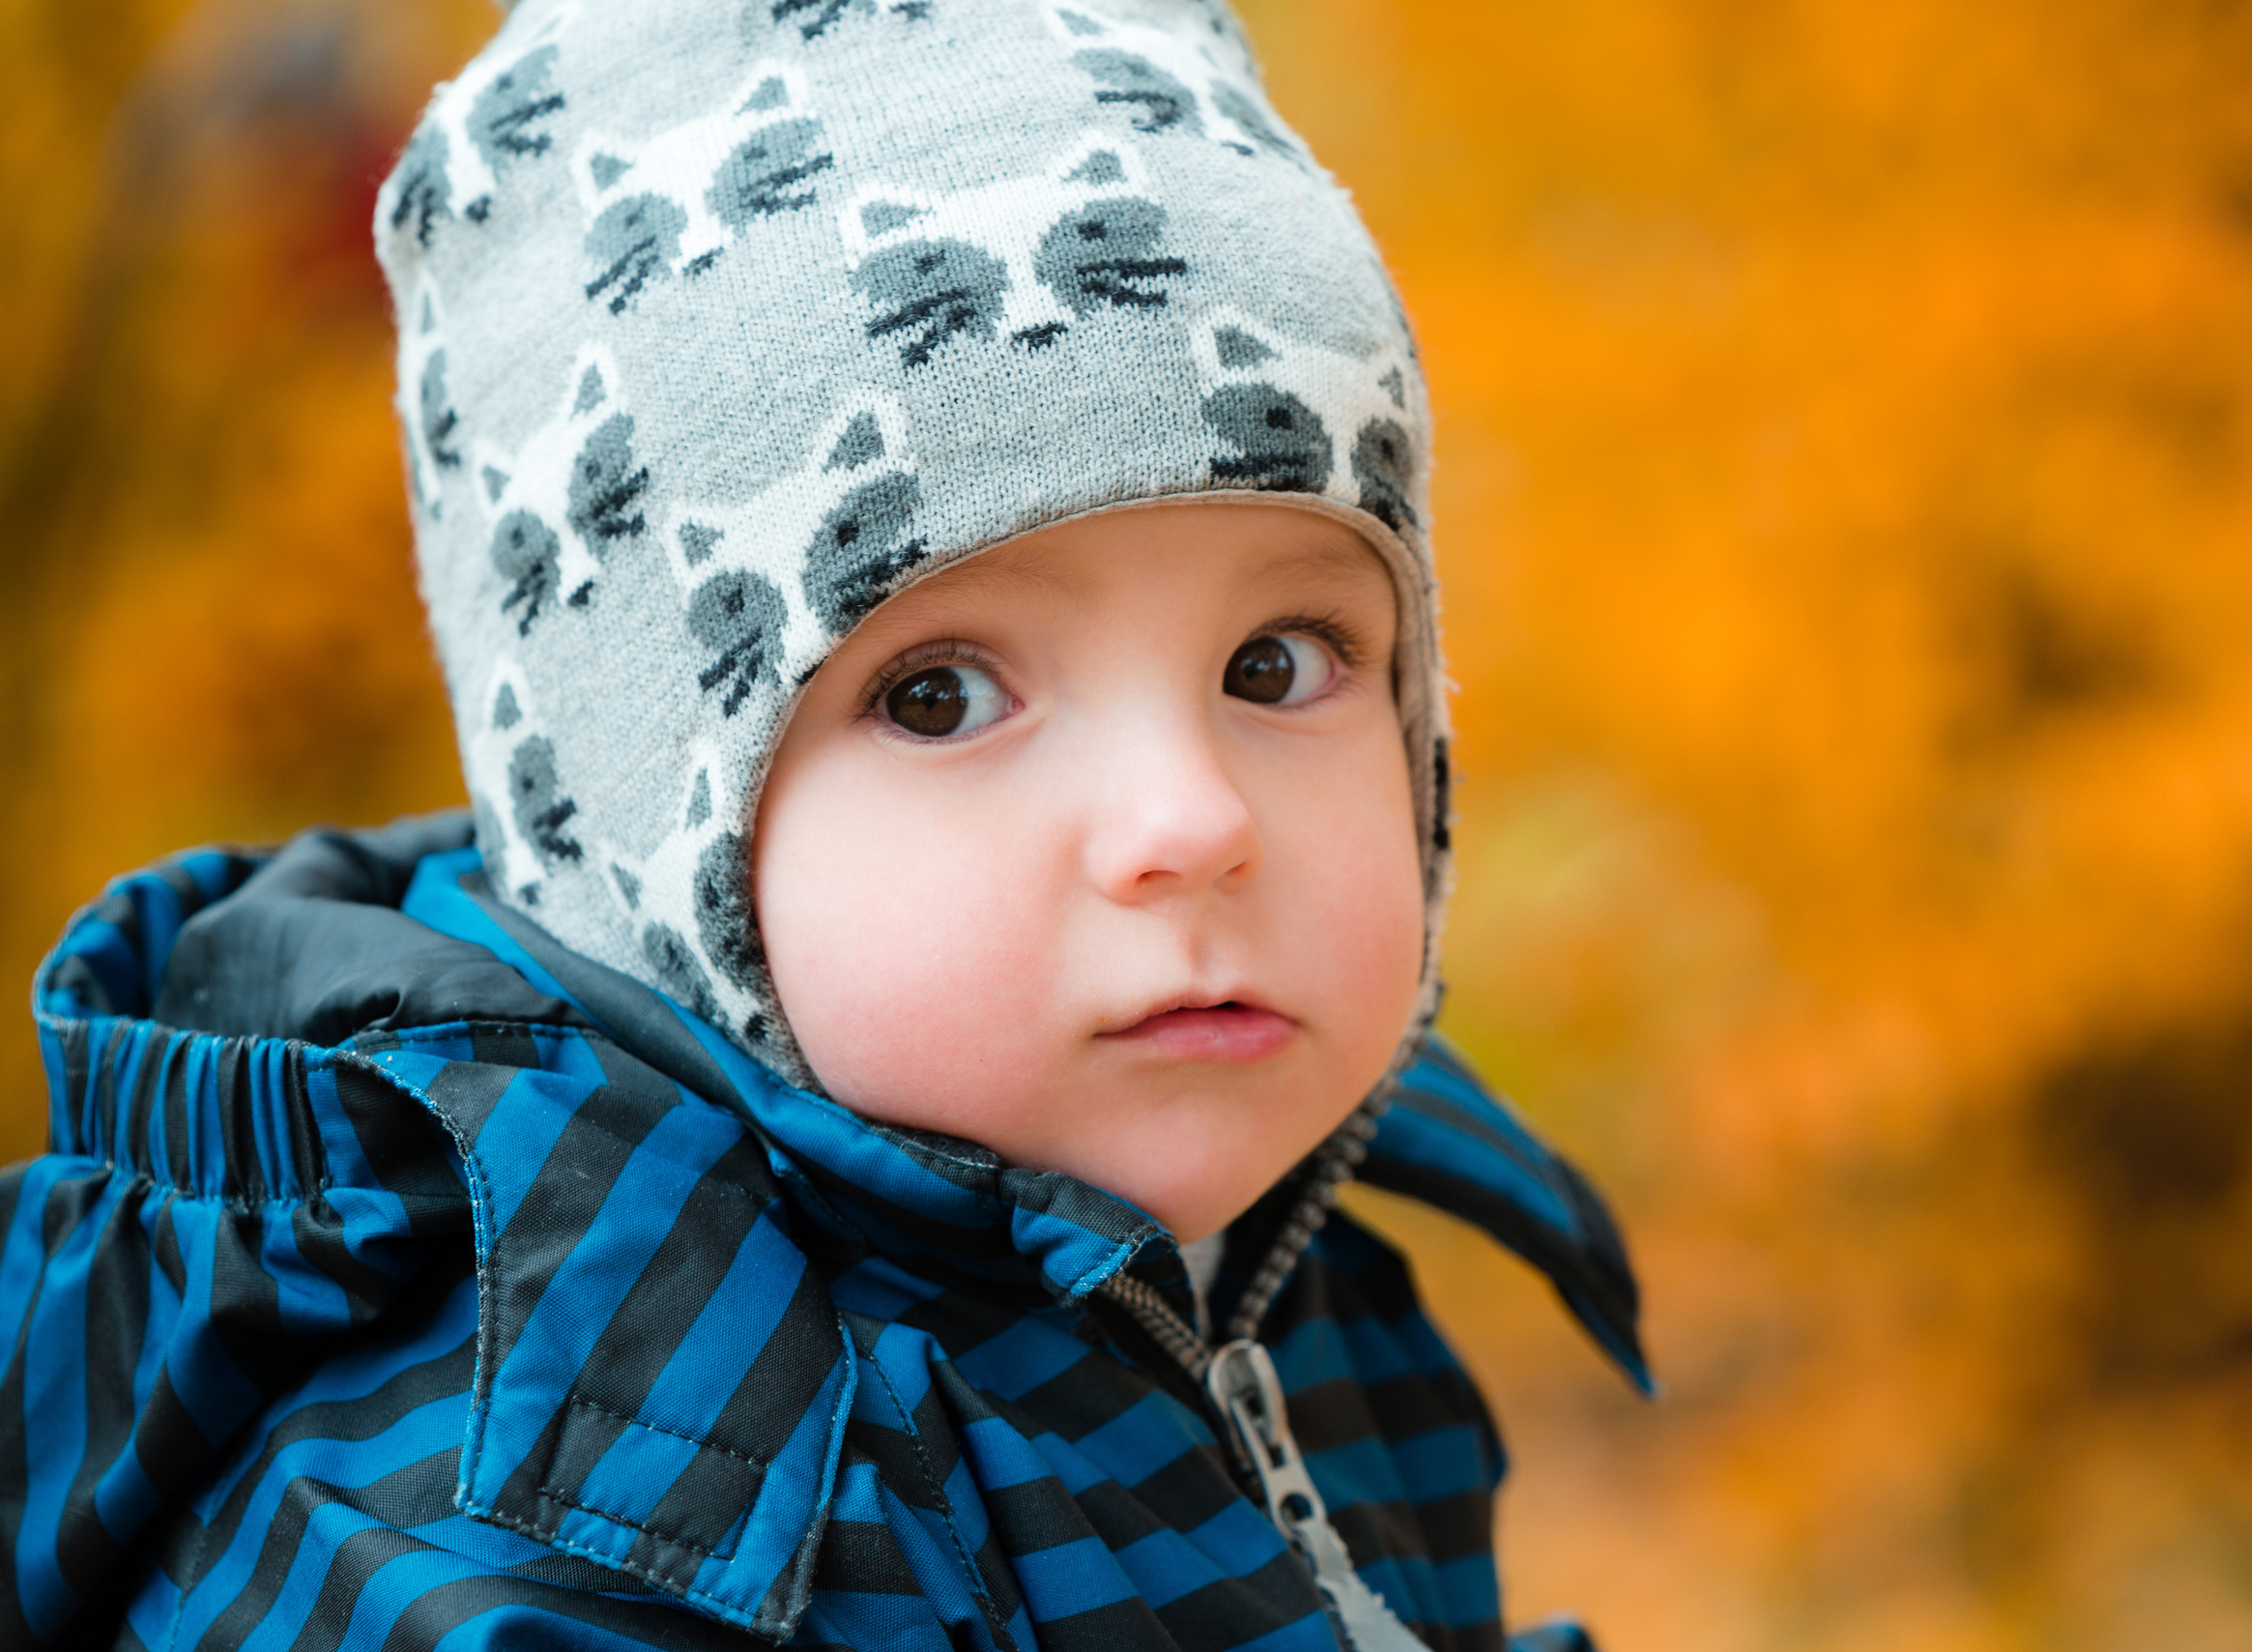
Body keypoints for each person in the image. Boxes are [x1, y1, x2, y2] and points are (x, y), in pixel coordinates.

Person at [0, 1, 1649, 1646]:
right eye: (939, 695)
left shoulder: (1291, 1285)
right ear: (651, 850)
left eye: (1277, 664)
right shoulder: (530, 1524)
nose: (1192, 817)